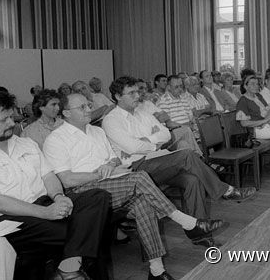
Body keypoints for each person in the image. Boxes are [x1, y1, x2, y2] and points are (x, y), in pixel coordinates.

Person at [43, 93, 224, 280]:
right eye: (82, 107)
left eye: (88, 105)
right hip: (84, 193)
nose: (89, 109)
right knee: (140, 178)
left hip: (112, 182)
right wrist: (99, 174)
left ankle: (157, 271)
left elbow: (113, 157)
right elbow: (66, 180)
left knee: (143, 204)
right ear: (66, 112)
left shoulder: (96, 131)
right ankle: (188, 223)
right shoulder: (56, 139)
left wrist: (110, 165)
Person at [102, 76, 255, 246]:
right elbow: (132, 147)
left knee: (193, 180)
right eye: (131, 93)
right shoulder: (111, 120)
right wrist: (153, 140)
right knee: (187, 154)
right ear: (117, 96)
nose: (137, 96)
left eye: (137, 92)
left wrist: (146, 139)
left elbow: (166, 134)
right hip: (138, 168)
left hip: (159, 161)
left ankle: (200, 234)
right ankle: (225, 190)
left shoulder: (143, 113)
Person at [0, 91, 111, 280]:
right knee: (82, 232)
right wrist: (45, 213)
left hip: (45, 203)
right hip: (12, 218)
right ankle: (71, 269)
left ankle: (68, 268)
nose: (11, 123)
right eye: (3, 120)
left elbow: (49, 177)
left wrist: (59, 197)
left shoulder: (25, 144)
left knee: (98, 197)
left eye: (11, 117)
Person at [156, 75, 202, 154]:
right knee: (186, 131)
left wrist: (195, 124)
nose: (180, 89)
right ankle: (200, 156)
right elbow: (168, 124)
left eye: (181, 86)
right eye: (176, 87)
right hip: (173, 133)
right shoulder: (163, 102)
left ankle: (198, 158)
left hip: (188, 129)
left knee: (184, 144)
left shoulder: (183, 99)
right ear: (169, 87)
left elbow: (191, 117)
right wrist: (185, 126)